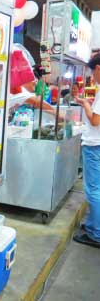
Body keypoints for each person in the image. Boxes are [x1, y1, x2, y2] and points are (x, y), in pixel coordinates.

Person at [72, 53, 100, 248]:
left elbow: (95, 120)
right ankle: (92, 225)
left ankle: (96, 233)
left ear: (98, 68)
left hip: (95, 146)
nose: (92, 77)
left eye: (92, 71)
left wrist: (86, 105)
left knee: (93, 190)